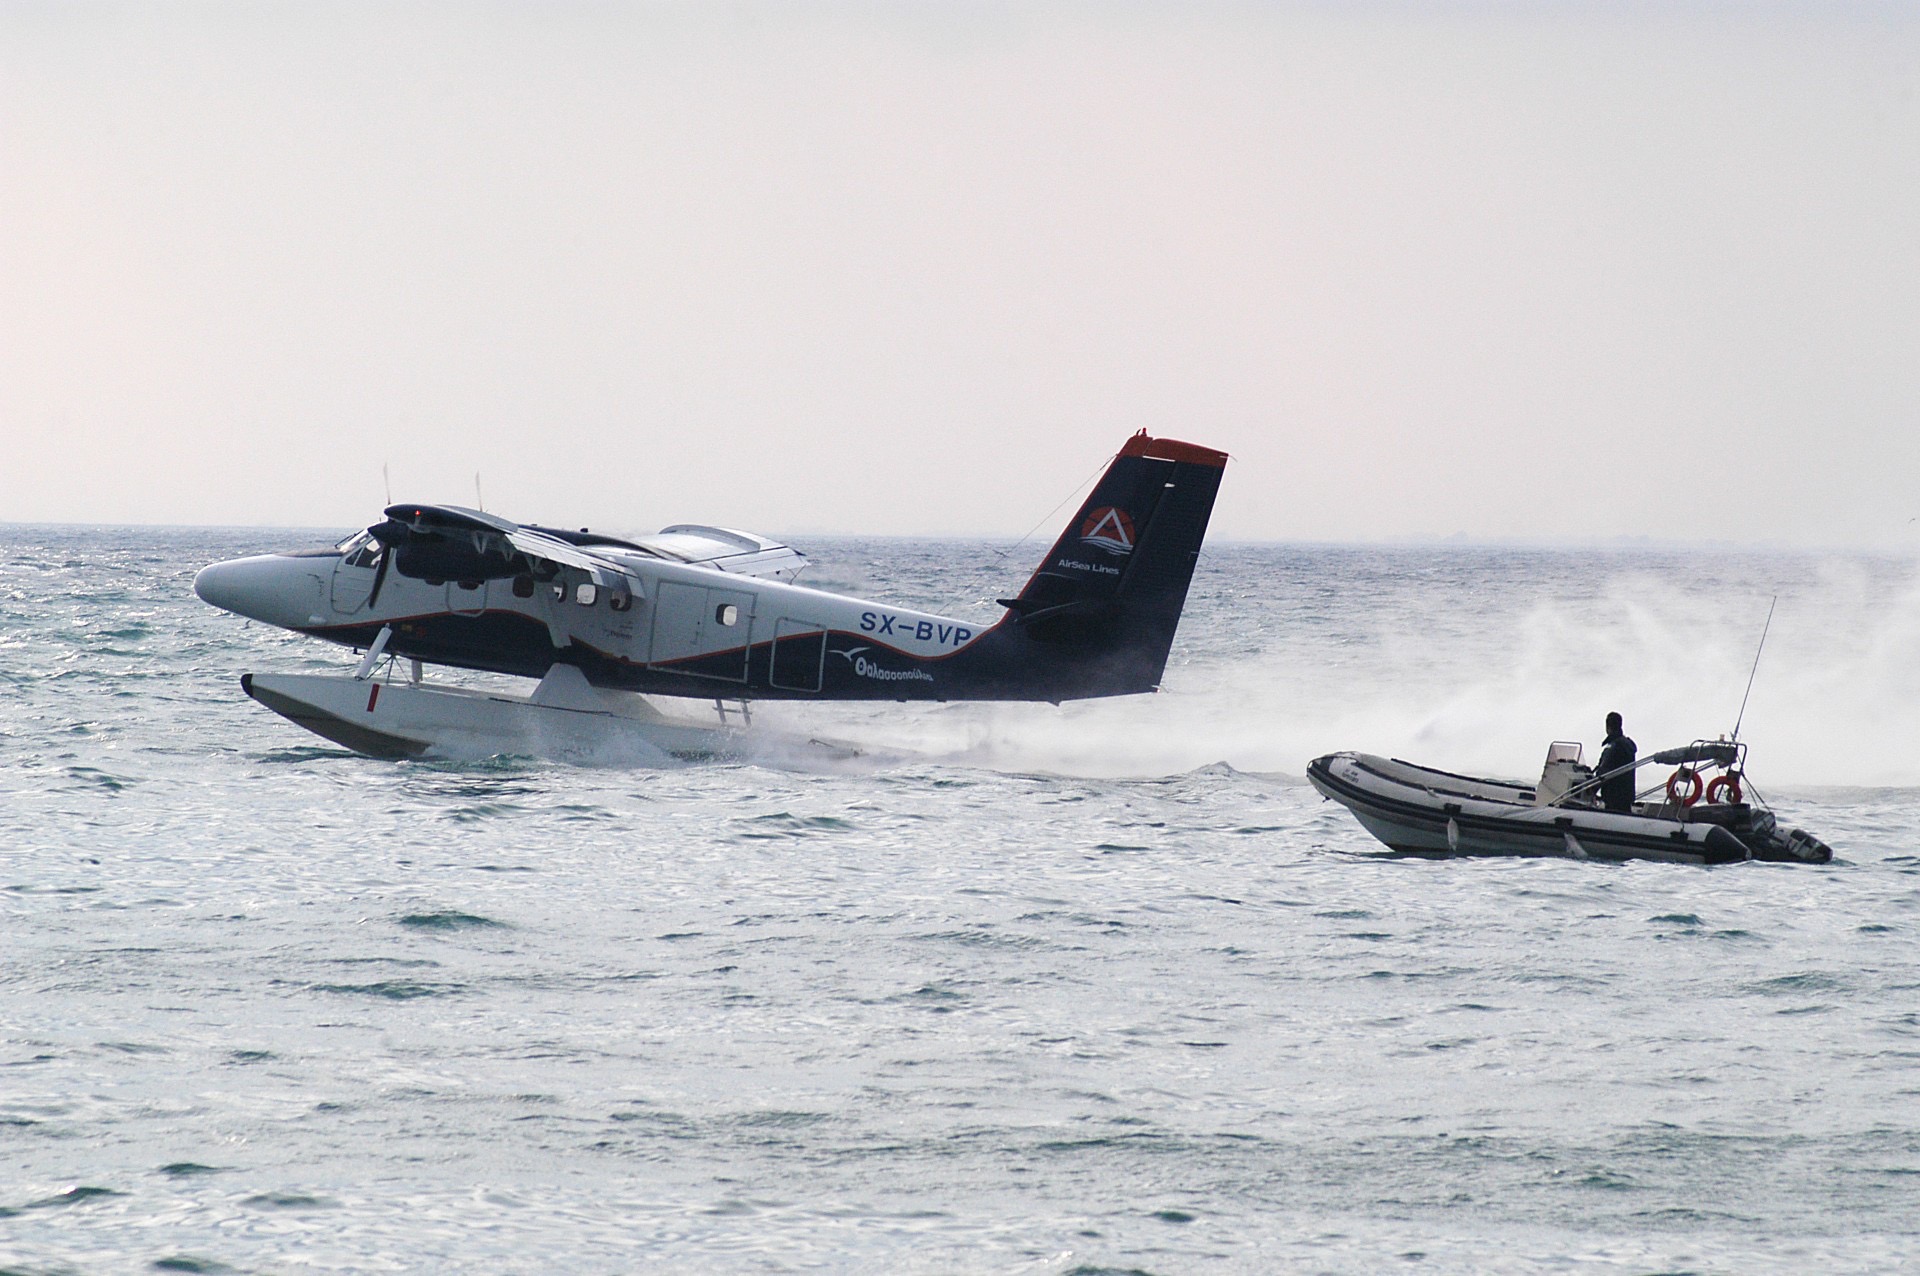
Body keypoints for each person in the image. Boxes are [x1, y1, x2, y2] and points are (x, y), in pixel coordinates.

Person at [1593, 711, 1638, 812]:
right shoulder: (1627, 746)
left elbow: (1604, 772)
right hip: (1626, 797)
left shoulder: (1613, 747)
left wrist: (1591, 790)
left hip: (1613, 798)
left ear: (1607, 726)